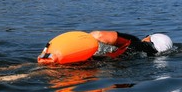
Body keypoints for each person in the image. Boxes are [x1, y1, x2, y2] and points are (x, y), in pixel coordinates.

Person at [37, 30, 173, 65]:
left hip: (92, 63)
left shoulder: (135, 42)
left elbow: (99, 35)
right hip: (100, 70)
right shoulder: (150, 55)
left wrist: (81, 42)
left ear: (149, 38)